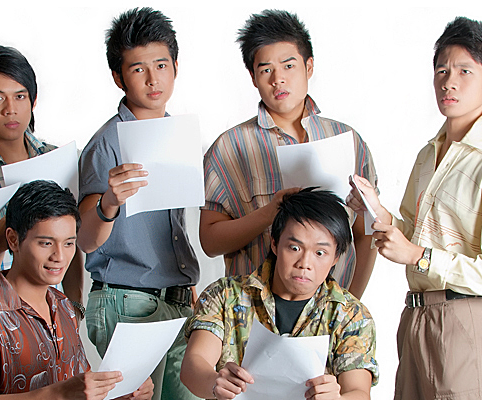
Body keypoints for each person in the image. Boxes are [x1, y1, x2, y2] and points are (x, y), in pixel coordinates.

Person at [347, 16, 482, 399]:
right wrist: (377, 212)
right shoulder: (428, 154)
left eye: (464, 71)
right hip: (415, 315)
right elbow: (413, 228)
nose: (449, 82)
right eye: (441, 70)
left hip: (465, 316)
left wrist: (417, 257)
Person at [199, 10, 378, 298]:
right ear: (253, 77)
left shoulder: (347, 140)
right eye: (266, 70)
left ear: (309, 66)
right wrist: (269, 213)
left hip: (329, 313)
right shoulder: (229, 147)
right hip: (250, 311)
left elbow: (366, 231)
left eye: (288, 66)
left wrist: (350, 302)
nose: (278, 79)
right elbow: (209, 242)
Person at [77, 8, 199, 400]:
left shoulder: (176, 135)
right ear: (118, 77)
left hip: (177, 301)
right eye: (138, 69)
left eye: (161, 65)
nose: (152, 79)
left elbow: (172, 231)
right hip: (127, 301)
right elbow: (85, 239)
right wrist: (109, 201)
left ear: (176, 67)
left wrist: (185, 284)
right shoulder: (107, 144)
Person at [0, 180, 153, 399]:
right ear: (13, 239)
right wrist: (58, 394)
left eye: (68, 243)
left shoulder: (64, 305)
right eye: (46, 243)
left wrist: (121, 393)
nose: (59, 257)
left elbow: (79, 390)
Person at [181, 188, 378, 400]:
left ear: (336, 257)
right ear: (275, 244)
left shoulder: (351, 315)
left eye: (320, 253)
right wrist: (214, 383)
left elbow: (359, 392)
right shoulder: (224, 295)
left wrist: (338, 399)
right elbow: (194, 363)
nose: (305, 263)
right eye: (294, 248)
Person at [0, 44, 83, 303]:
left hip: (51, 313)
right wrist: (3, 234)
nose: (11, 109)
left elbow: (70, 247)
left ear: (33, 99)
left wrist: (75, 308)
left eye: (20, 96)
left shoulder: (58, 159)